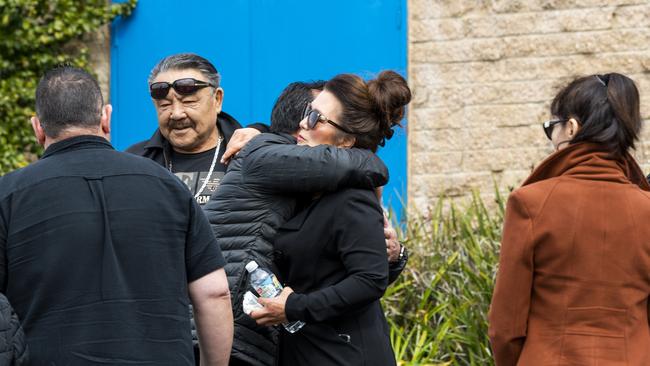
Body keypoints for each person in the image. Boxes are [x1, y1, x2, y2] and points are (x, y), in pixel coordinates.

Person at [0, 66, 233, 365]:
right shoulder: (168, 186)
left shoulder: (8, 195)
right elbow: (214, 293)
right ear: (105, 118)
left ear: (38, 128)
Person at [204, 80, 408, 366]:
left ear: (347, 143)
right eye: (307, 111)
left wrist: (293, 307)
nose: (302, 122)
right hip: (306, 350)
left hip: (344, 354)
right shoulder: (302, 192)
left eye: (315, 117)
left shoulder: (352, 198)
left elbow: (368, 280)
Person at [488, 73, 650, 365]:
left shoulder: (530, 204)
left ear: (572, 128)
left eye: (553, 127)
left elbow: (505, 326)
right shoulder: (646, 209)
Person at [126, 53, 266, 205]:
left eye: (189, 102)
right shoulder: (133, 162)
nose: (176, 114)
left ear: (217, 100)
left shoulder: (251, 152)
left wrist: (263, 135)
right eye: (165, 105)